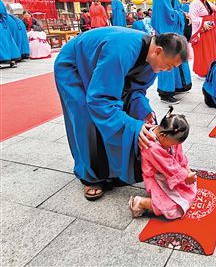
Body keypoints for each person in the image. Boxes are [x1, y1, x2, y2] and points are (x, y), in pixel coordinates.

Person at [54, 26, 189, 200]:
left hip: (101, 70)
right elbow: (100, 99)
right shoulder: (121, 49)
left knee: (128, 112)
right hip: (74, 68)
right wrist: (134, 126)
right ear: (158, 51)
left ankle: (113, 169)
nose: (170, 71)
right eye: (170, 66)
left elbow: (134, 91)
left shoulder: (153, 61)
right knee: (86, 117)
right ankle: (90, 176)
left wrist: (144, 112)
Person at [129, 106, 196, 219]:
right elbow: (168, 166)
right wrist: (185, 175)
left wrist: (187, 170)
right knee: (172, 209)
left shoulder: (166, 131)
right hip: (158, 177)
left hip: (170, 173)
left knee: (188, 193)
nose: (175, 146)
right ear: (164, 136)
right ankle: (140, 202)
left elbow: (179, 155)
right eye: (173, 143)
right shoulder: (151, 146)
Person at [151, 0, 192, 104]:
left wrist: (183, 13)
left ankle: (177, 86)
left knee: (175, 55)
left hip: (171, 28)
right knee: (166, 58)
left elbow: (176, 5)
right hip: (165, 29)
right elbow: (164, 11)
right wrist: (181, 15)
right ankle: (165, 93)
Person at [189, 0, 216, 78]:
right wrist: (203, 23)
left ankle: (211, 69)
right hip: (202, 31)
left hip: (210, 30)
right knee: (203, 52)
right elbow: (193, 18)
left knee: (211, 50)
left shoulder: (208, 3)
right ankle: (203, 70)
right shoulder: (194, 3)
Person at [0, 0, 21, 67]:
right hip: (3, 25)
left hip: (2, 25)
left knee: (3, 43)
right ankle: (12, 59)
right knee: (8, 41)